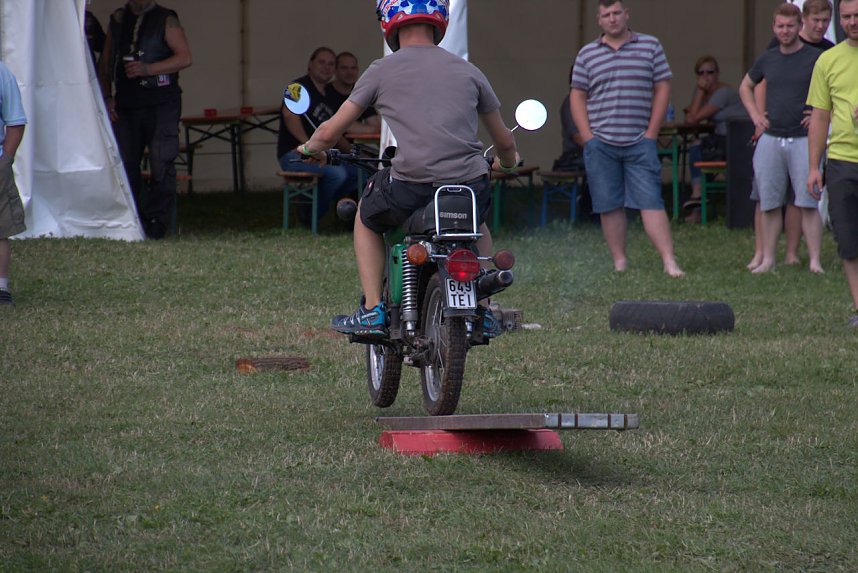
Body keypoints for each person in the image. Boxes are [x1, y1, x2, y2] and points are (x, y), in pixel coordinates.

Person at [297, 0, 519, 337]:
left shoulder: (381, 70)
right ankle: (484, 310)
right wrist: (507, 162)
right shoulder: (469, 71)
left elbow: (329, 132)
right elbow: (504, 141)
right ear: (438, 22)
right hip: (469, 183)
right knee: (477, 221)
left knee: (365, 217)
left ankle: (372, 310)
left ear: (391, 23)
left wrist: (308, 148)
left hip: (410, 183)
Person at [570, 0, 684, 277]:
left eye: (617, 13)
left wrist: (652, 133)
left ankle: (670, 261)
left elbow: (662, 87)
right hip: (601, 143)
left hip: (639, 141)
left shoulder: (650, 46)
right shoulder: (587, 54)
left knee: (651, 200)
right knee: (608, 204)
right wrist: (587, 136)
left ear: (626, 15)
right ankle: (620, 262)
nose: (612, 18)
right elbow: (577, 95)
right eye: (606, 14)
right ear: (599, 20)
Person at [738, 2, 824, 274]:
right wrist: (756, 116)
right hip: (771, 138)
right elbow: (745, 86)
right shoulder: (768, 57)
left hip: (804, 139)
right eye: (780, 26)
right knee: (769, 201)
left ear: (800, 27)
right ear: (773, 28)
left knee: (808, 202)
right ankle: (768, 260)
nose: (785, 31)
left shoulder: (816, 57)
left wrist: (820, 114)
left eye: (790, 26)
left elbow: (832, 90)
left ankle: (814, 261)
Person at [98, 0, 192, 239]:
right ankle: (131, 220)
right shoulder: (118, 19)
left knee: (162, 161)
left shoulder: (165, 18)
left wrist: (148, 69)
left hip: (162, 103)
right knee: (126, 164)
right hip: (127, 105)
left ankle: (156, 223)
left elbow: (184, 58)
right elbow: (106, 65)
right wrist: (107, 97)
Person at [807, 0, 858, 327]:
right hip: (841, 161)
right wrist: (814, 166)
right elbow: (820, 117)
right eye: (847, 17)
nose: (853, 22)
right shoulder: (828, 60)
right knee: (848, 239)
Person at [277, 47, 357, 226]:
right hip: (294, 154)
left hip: (320, 155)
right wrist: (309, 147)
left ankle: (324, 211)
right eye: (322, 62)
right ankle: (309, 217)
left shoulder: (331, 94)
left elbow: (335, 132)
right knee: (337, 175)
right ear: (310, 64)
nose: (326, 67)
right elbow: (290, 116)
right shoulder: (298, 87)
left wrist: (354, 154)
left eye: (331, 64)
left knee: (358, 173)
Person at [681, 55, 748, 223]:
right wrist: (700, 94)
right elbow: (690, 117)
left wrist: (699, 92)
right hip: (722, 138)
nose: (705, 77)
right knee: (699, 148)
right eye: (701, 73)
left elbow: (692, 119)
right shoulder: (706, 95)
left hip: (737, 141)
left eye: (710, 72)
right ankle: (698, 205)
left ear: (717, 73)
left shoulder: (723, 93)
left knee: (698, 147)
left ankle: (697, 196)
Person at [0, 61, 27, 306]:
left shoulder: (2, 73)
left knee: (0, 230)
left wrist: (5, 160)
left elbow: (16, 121)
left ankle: (1, 288)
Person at [329, 52, 381, 136]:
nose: (349, 72)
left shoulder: (361, 92)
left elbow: (376, 126)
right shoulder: (325, 92)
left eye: (353, 68)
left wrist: (347, 126)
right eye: (344, 68)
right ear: (335, 70)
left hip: (355, 147)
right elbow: (335, 125)